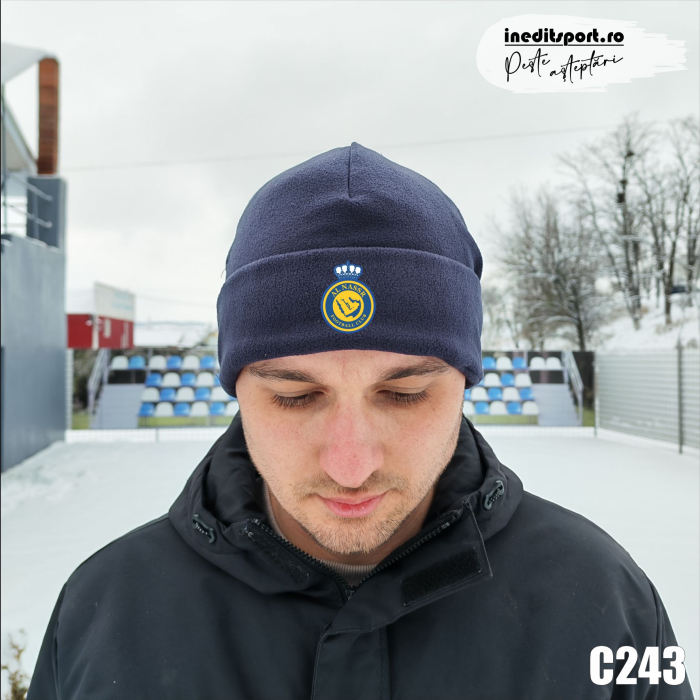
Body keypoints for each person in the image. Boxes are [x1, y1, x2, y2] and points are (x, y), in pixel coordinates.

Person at [27, 142, 692, 699]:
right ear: (237, 389)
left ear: (465, 383)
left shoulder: (607, 602)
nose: (351, 464)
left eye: (404, 394)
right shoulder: (104, 613)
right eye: (295, 397)